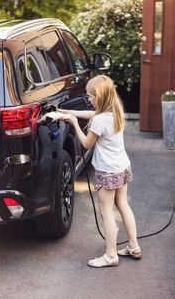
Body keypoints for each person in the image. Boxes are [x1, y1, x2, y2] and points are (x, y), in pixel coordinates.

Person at [58, 75, 142, 268]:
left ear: (99, 97)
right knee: (123, 205)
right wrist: (70, 112)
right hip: (122, 166)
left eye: (90, 96)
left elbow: (86, 144)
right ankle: (133, 246)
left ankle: (111, 255)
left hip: (107, 171)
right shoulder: (116, 110)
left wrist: (73, 123)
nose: (88, 99)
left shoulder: (99, 122)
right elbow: (94, 115)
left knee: (106, 211)